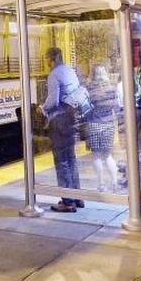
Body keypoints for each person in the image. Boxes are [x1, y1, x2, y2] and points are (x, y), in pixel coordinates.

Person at [39, 46, 90, 212]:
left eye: (47, 59)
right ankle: (77, 198)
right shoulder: (69, 70)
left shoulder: (54, 74)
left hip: (59, 121)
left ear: (52, 59)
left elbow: (53, 101)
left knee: (61, 162)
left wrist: (42, 108)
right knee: (71, 159)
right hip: (71, 120)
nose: (46, 62)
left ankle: (67, 202)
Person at [85, 64, 120, 192]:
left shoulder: (90, 90)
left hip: (94, 124)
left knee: (97, 156)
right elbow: (117, 107)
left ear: (93, 75)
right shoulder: (112, 89)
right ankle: (115, 182)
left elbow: (85, 108)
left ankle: (101, 184)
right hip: (108, 124)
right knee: (108, 155)